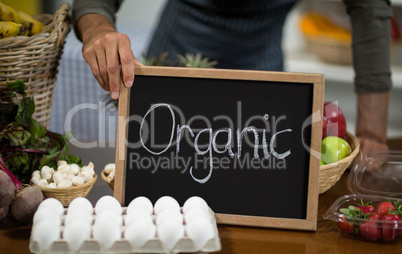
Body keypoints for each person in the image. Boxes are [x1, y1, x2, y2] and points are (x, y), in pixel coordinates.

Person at [72, 0, 392, 155]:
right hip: (185, 39)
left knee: (258, 170)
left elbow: (369, 6)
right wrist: (97, 27)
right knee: (162, 165)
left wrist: (373, 134)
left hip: (264, 49)